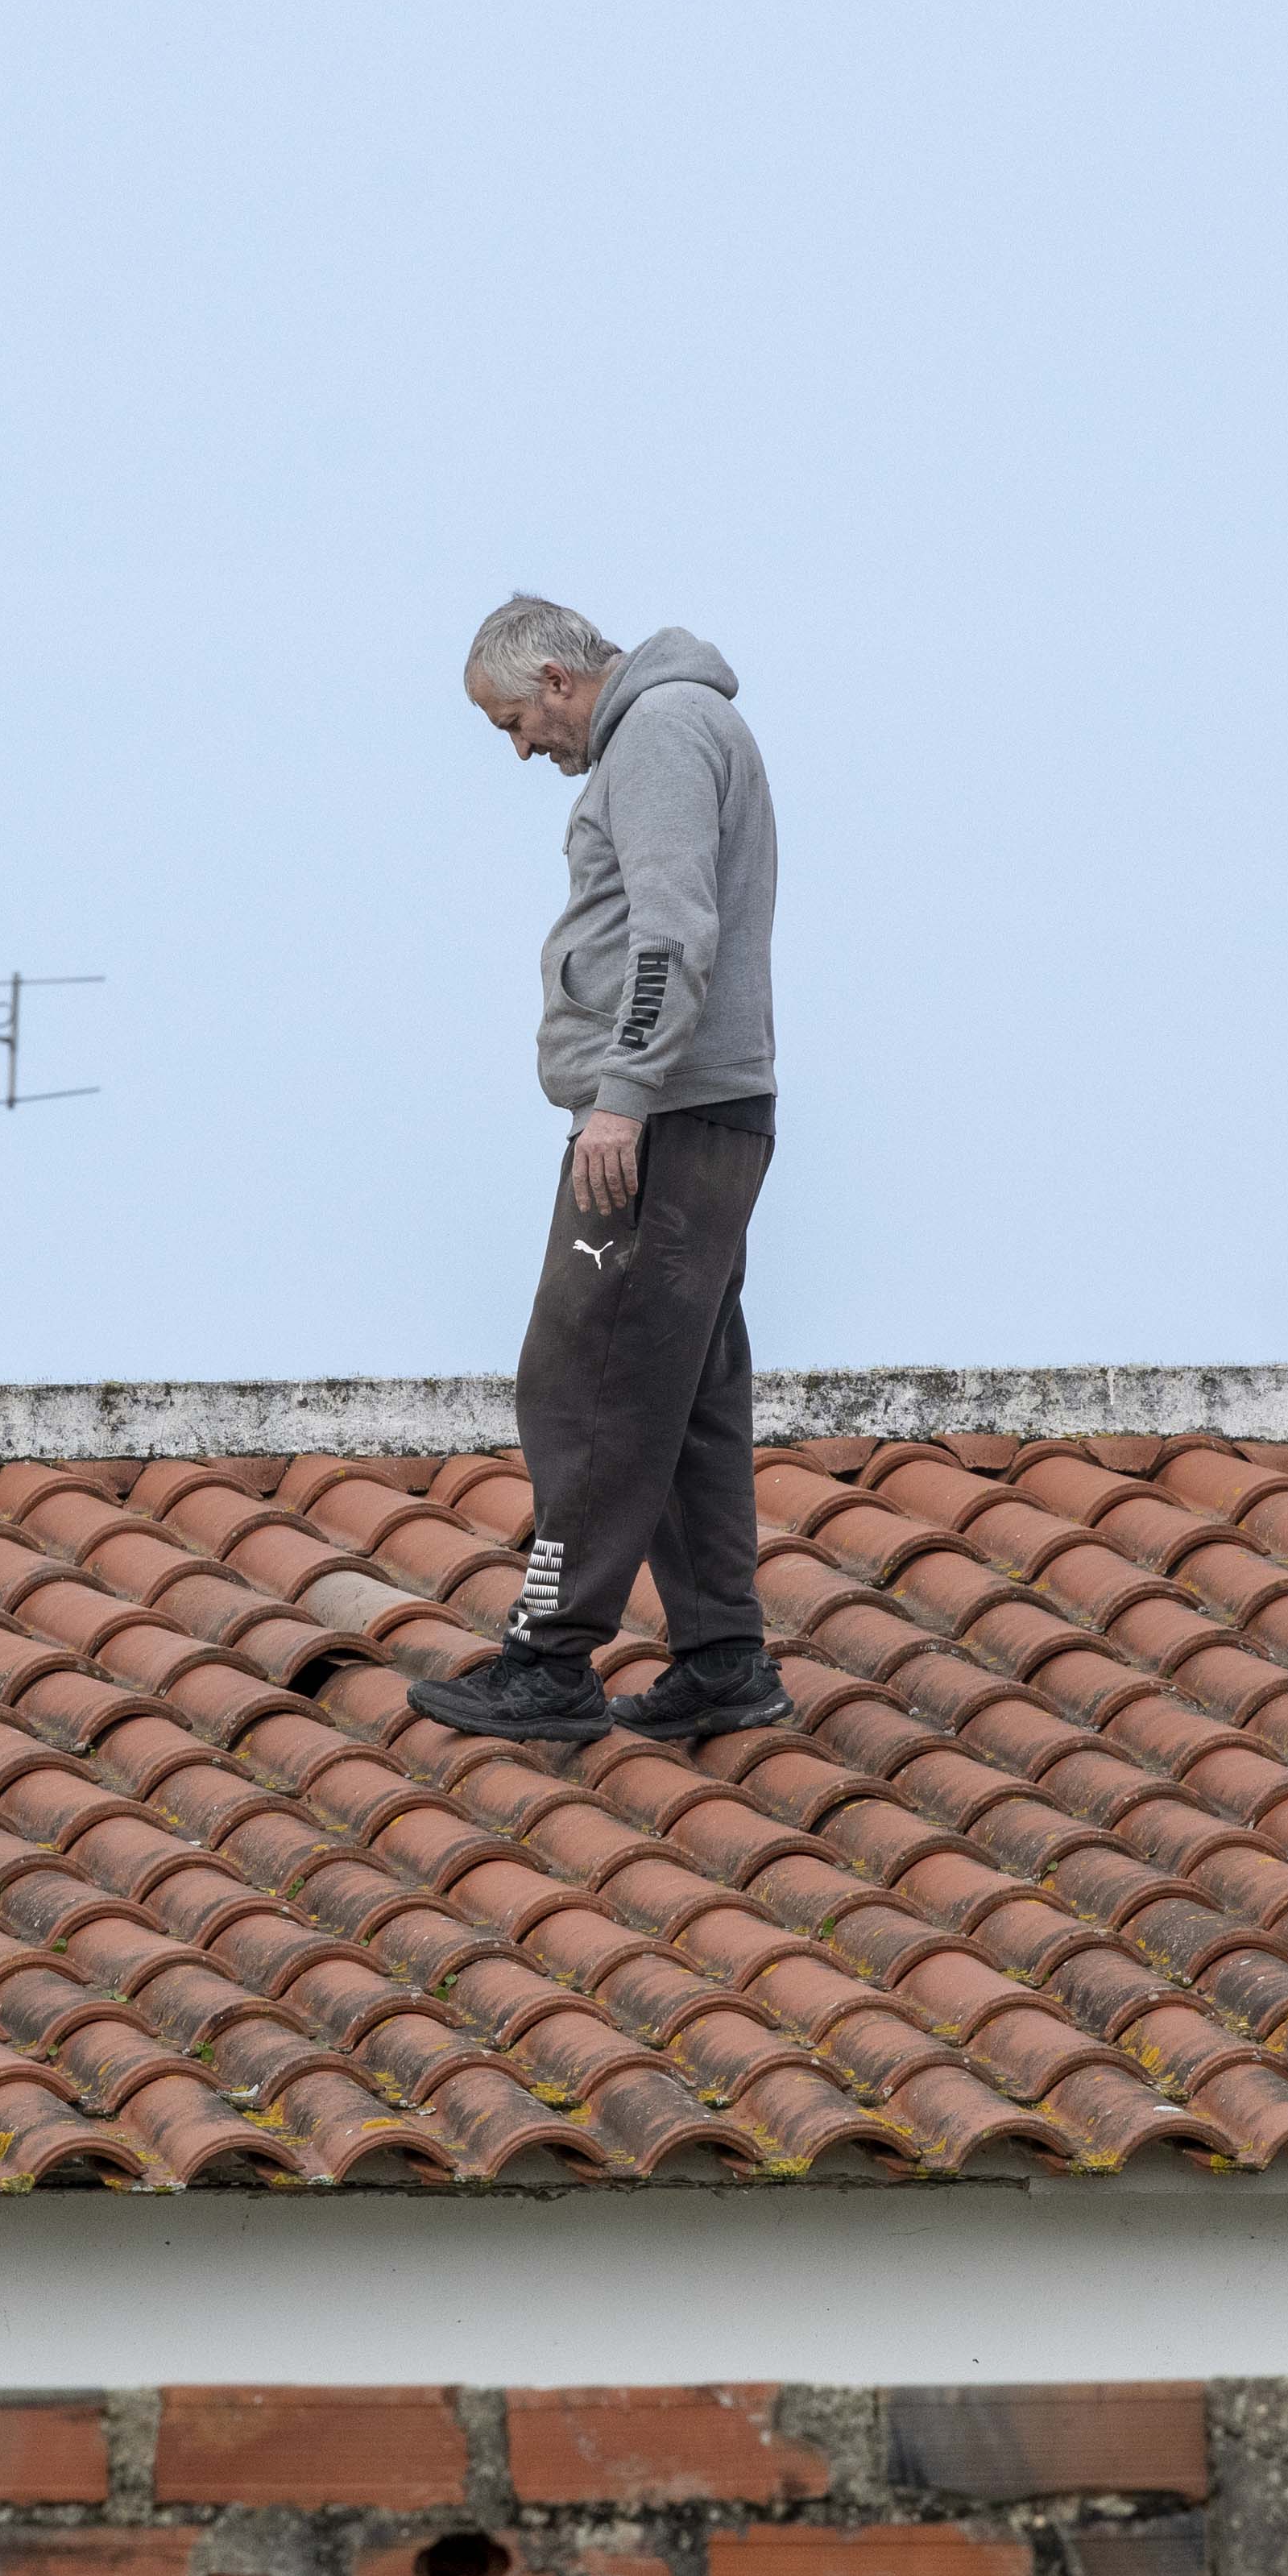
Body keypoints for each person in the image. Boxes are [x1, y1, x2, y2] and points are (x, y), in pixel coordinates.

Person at [409, 595, 790, 1748]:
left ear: (561, 682)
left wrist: (618, 1099)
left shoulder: (662, 733)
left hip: (665, 1117)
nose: (523, 749)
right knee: (682, 1397)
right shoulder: (676, 725)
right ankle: (721, 1659)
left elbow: (671, 931)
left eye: (515, 722)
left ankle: (550, 1660)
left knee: (583, 1381)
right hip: (703, 1113)